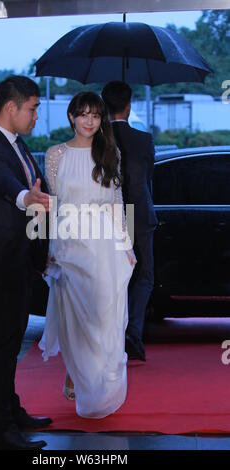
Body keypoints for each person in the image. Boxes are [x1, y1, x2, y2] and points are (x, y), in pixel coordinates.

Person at [39, 91, 136, 419]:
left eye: (95, 115)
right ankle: (78, 372)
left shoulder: (110, 151)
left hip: (104, 244)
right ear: (71, 117)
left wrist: (127, 244)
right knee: (76, 318)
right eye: (83, 114)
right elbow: (51, 205)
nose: (89, 121)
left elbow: (116, 202)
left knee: (106, 315)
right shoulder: (55, 155)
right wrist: (48, 248)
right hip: (70, 243)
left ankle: (103, 387)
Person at [0, 75, 52, 450]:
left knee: (11, 343)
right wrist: (24, 197)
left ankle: (11, 411)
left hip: (16, 264)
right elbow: (0, 180)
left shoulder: (16, 144)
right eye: (32, 109)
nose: (36, 116)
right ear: (10, 107)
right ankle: (0, 430)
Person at [101, 81, 158, 362]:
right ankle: (132, 332)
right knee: (144, 275)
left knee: (114, 277)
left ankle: (114, 333)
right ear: (129, 105)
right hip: (139, 213)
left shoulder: (96, 140)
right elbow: (148, 181)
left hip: (111, 216)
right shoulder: (144, 140)